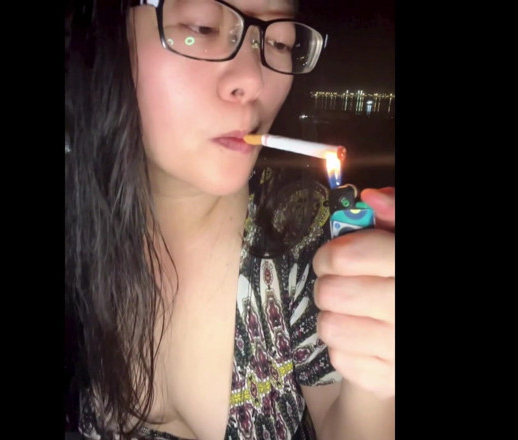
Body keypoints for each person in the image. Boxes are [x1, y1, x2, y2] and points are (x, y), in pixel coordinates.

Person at [64, 1, 395, 439]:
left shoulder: (309, 236)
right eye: (202, 26)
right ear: (108, 33)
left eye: (279, 42)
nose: (254, 79)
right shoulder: (76, 232)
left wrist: (377, 376)